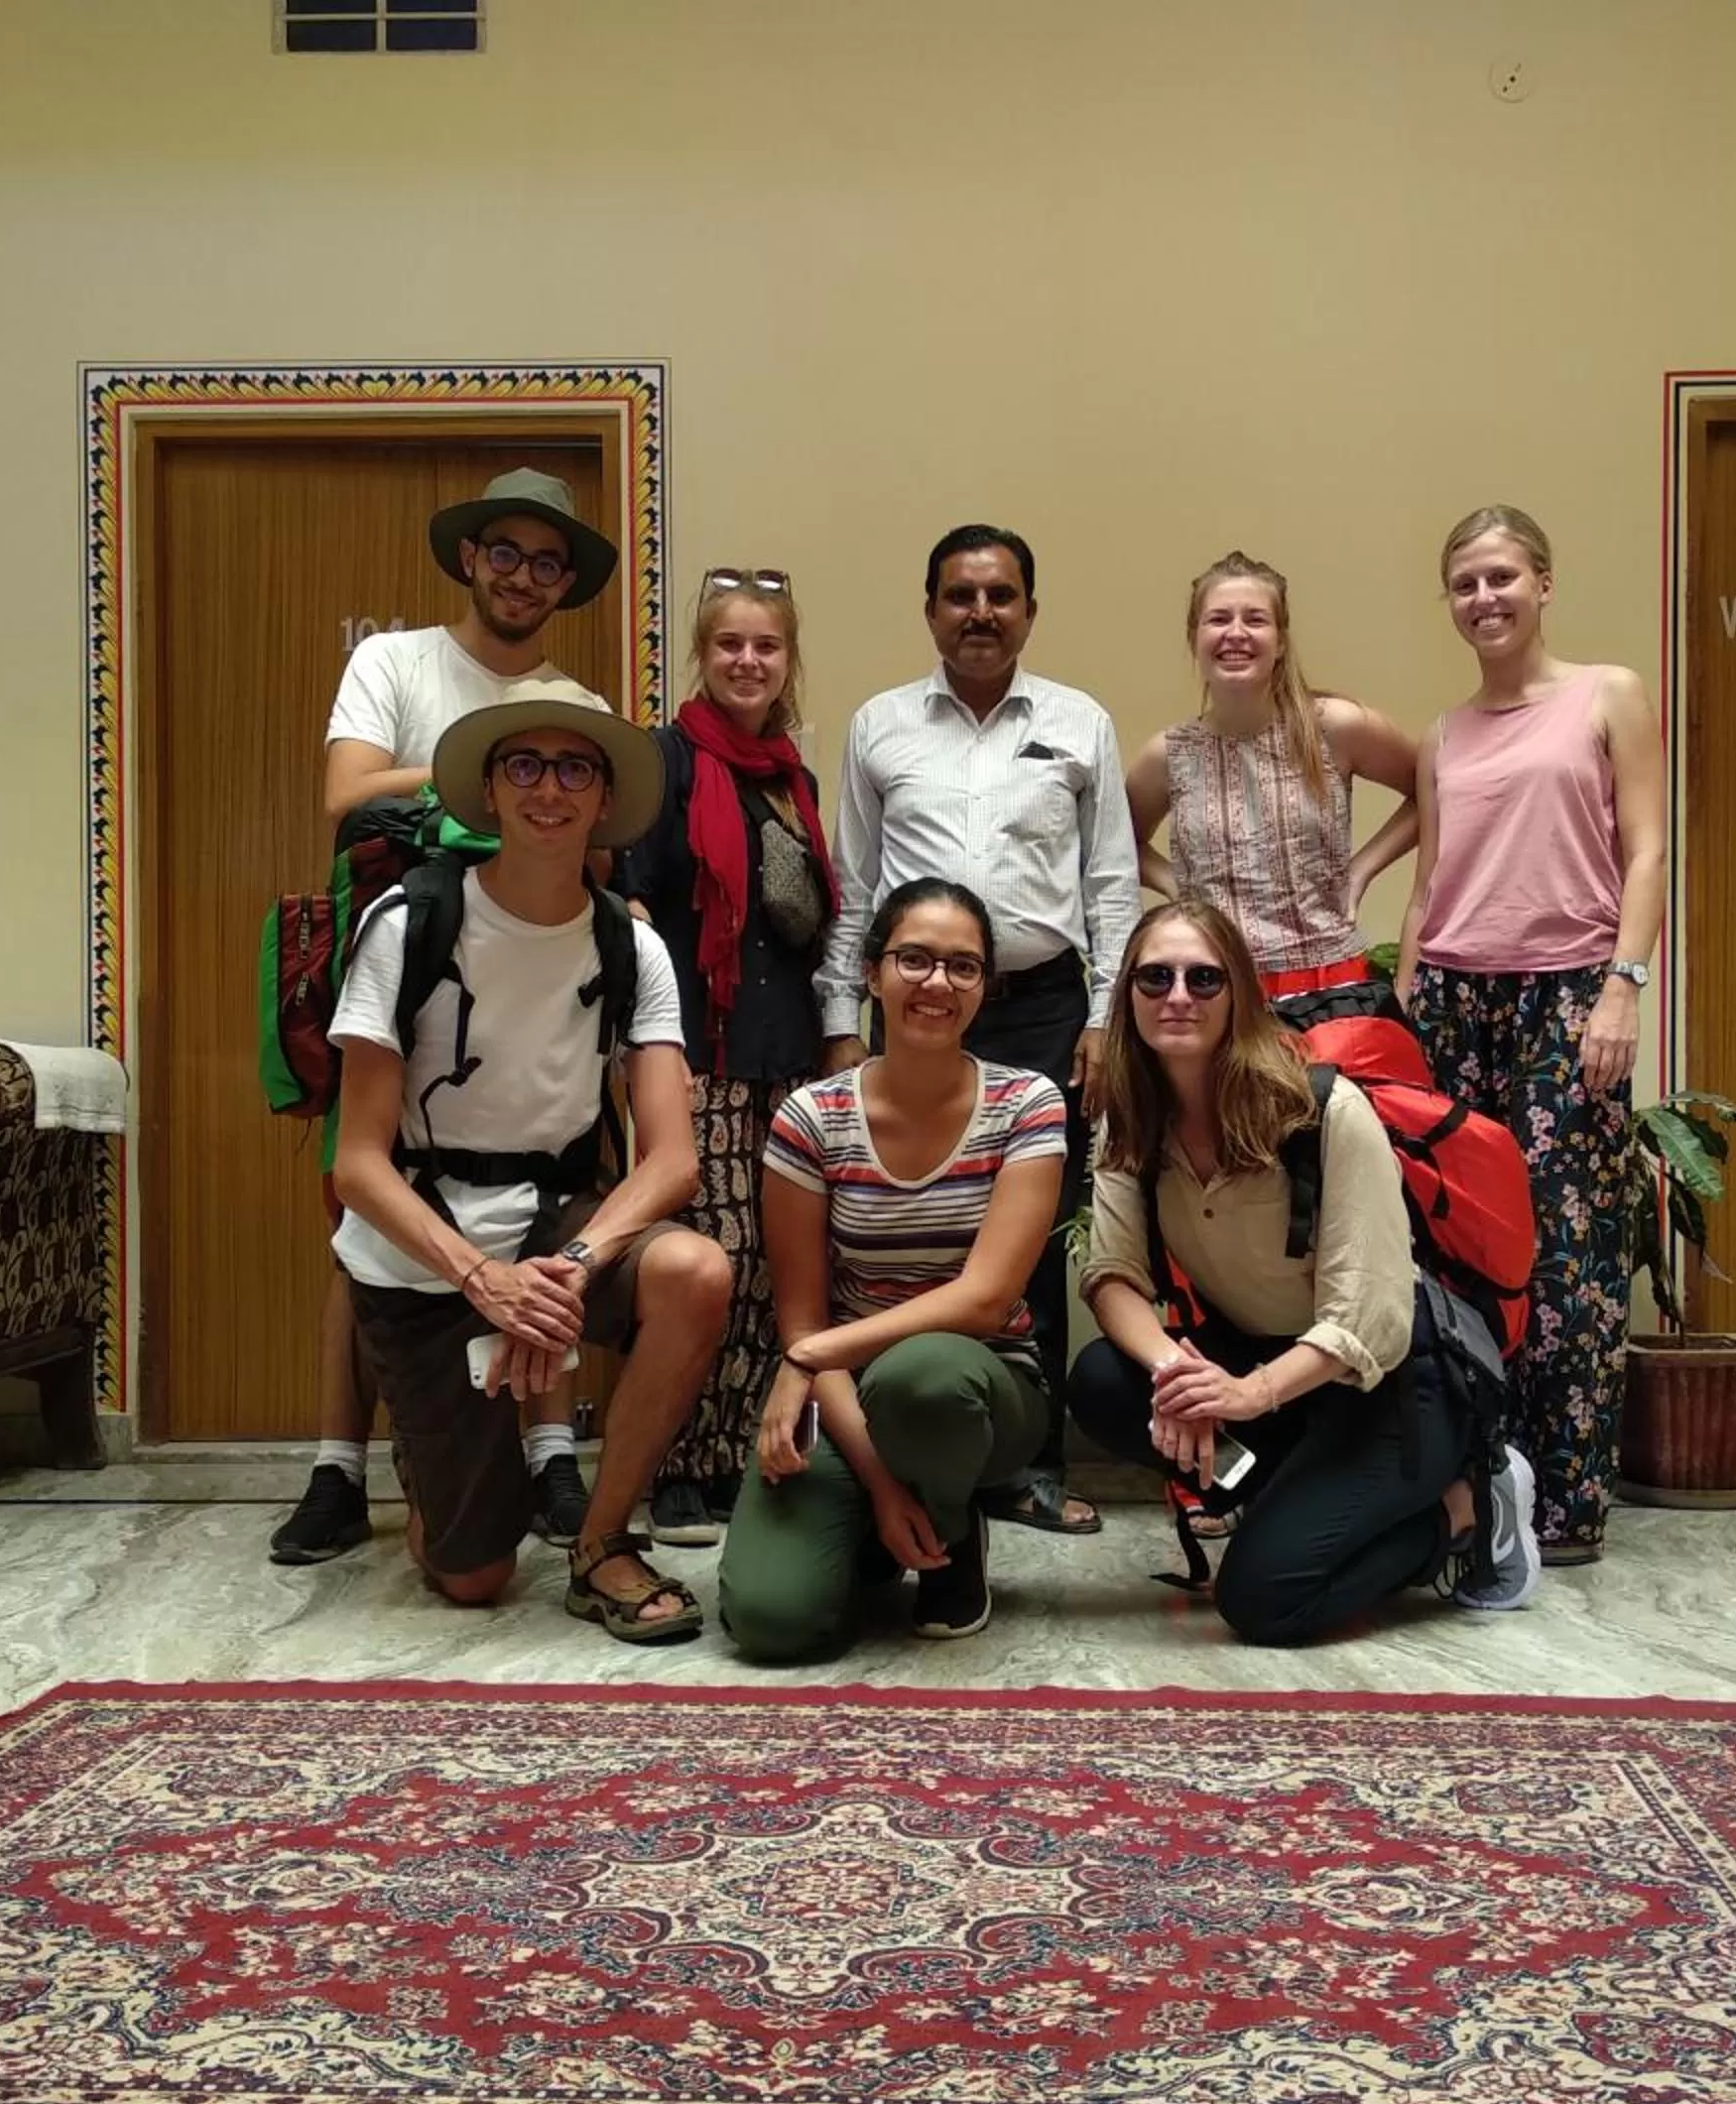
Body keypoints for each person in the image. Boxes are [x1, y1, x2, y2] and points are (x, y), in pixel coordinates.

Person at [297, 673, 731, 1643]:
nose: (549, 788)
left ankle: (602, 1544)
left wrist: (567, 1273)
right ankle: (439, 1451)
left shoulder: (632, 948)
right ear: (488, 790)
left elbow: (672, 1162)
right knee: (473, 1578)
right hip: (426, 1243)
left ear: (604, 796)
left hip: (550, 1220)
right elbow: (358, 1164)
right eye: (524, 764)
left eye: (574, 766)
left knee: (694, 1270)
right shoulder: (409, 926)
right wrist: (485, 1282)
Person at [271, 466, 616, 1566]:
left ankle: (551, 1449)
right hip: (397, 972)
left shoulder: (582, 707)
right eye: (505, 552)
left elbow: (596, 853)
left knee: (550, 1203)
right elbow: (343, 795)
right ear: (469, 557)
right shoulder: (395, 661)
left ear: (568, 581)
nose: (523, 575)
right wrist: (488, 772)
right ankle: (338, 1467)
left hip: (536, 986)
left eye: (547, 560)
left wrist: (499, 782)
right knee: (364, 1220)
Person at [1068, 902, 1538, 1646]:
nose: (1178, 996)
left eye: (1204, 979)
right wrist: (1175, 1377)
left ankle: (1466, 1504)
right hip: (1267, 1373)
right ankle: (1294, 1499)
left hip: (1388, 1384)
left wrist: (1248, 1395)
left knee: (1264, 1600)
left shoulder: (1323, 1111)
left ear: (1240, 998)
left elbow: (1368, 1321)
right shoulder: (1130, 1115)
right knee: (1103, 1380)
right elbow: (1115, 1275)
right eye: (1155, 977)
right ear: (1128, 994)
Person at [814, 526, 1134, 1537]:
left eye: (1001, 596)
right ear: (931, 609)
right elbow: (854, 887)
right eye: (961, 595)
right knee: (896, 1217)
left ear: (1030, 610)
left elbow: (1111, 883)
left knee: (1028, 1236)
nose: (981, 613)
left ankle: (1025, 1463)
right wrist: (838, 1019)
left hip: (1041, 1005)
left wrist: (1104, 1018)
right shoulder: (880, 726)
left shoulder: (1081, 724)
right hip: (911, 1006)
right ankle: (883, 1429)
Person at [1397, 505, 1665, 1566]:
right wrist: (1409, 1000)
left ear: (1544, 583)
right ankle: (1477, 1486)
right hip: (1457, 1002)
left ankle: (1569, 1507)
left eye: (1502, 577)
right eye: (1465, 583)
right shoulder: (1444, 735)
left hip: (1567, 996)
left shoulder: (1609, 694)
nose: (1485, 599)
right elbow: (1432, 888)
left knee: (1572, 1257)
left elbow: (1646, 853)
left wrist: (1624, 985)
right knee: (1457, 1254)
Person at [723, 880, 1066, 1660]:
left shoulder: (1027, 1105)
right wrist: (876, 1486)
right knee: (776, 1623)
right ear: (873, 974)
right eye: (913, 959)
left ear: (987, 987)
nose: (937, 983)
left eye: (963, 966)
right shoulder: (810, 1119)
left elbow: (984, 1301)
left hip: (980, 1391)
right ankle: (888, 1521)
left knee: (926, 1378)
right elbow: (806, 1321)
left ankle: (950, 1527)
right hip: (846, 1390)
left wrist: (809, 1356)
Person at [611, 568, 836, 1547]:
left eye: (767, 646)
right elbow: (635, 914)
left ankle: (754, 1449)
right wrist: (660, 1053)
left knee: (780, 1265)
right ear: (701, 656)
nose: (749, 661)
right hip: (696, 1052)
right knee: (712, 1258)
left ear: (788, 662)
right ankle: (674, 1464)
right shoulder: (664, 763)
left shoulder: (794, 777)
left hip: (784, 1051)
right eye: (730, 644)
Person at [1123, 552, 1423, 1023]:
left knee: (1333, 1100)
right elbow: (1115, 840)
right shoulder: (1169, 754)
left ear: (1280, 641)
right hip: (1218, 994)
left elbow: (1434, 789)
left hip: (1332, 988)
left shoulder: (1334, 727)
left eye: (1255, 619)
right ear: (1194, 638)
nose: (1236, 633)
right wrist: (1174, 883)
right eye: (1218, 619)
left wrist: (1362, 869)